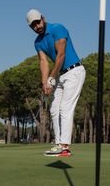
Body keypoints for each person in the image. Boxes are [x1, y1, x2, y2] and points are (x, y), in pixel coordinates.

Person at [26, 9, 86, 157]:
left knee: (65, 108)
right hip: (62, 75)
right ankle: (59, 144)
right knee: (54, 108)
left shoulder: (57, 28)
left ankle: (65, 148)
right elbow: (43, 62)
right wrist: (45, 83)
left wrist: (52, 79)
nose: (37, 27)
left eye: (38, 22)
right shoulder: (37, 42)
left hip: (75, 72)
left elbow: (61, 55)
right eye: (33, 25)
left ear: (43, 18)